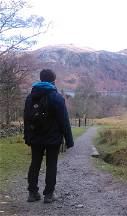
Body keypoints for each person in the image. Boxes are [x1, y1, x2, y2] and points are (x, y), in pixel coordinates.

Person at [23, 69, 74, 203]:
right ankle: (49, 195)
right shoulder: (56, 97)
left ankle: (32, 193)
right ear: (53, 80)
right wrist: (69, 141)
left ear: (40, 79)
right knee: (51, 165)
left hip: (35, 137)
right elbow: (64, 120)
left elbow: (26, 119)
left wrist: (27, 137)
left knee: (34, 164)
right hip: (53, 138)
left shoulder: (30, 97)